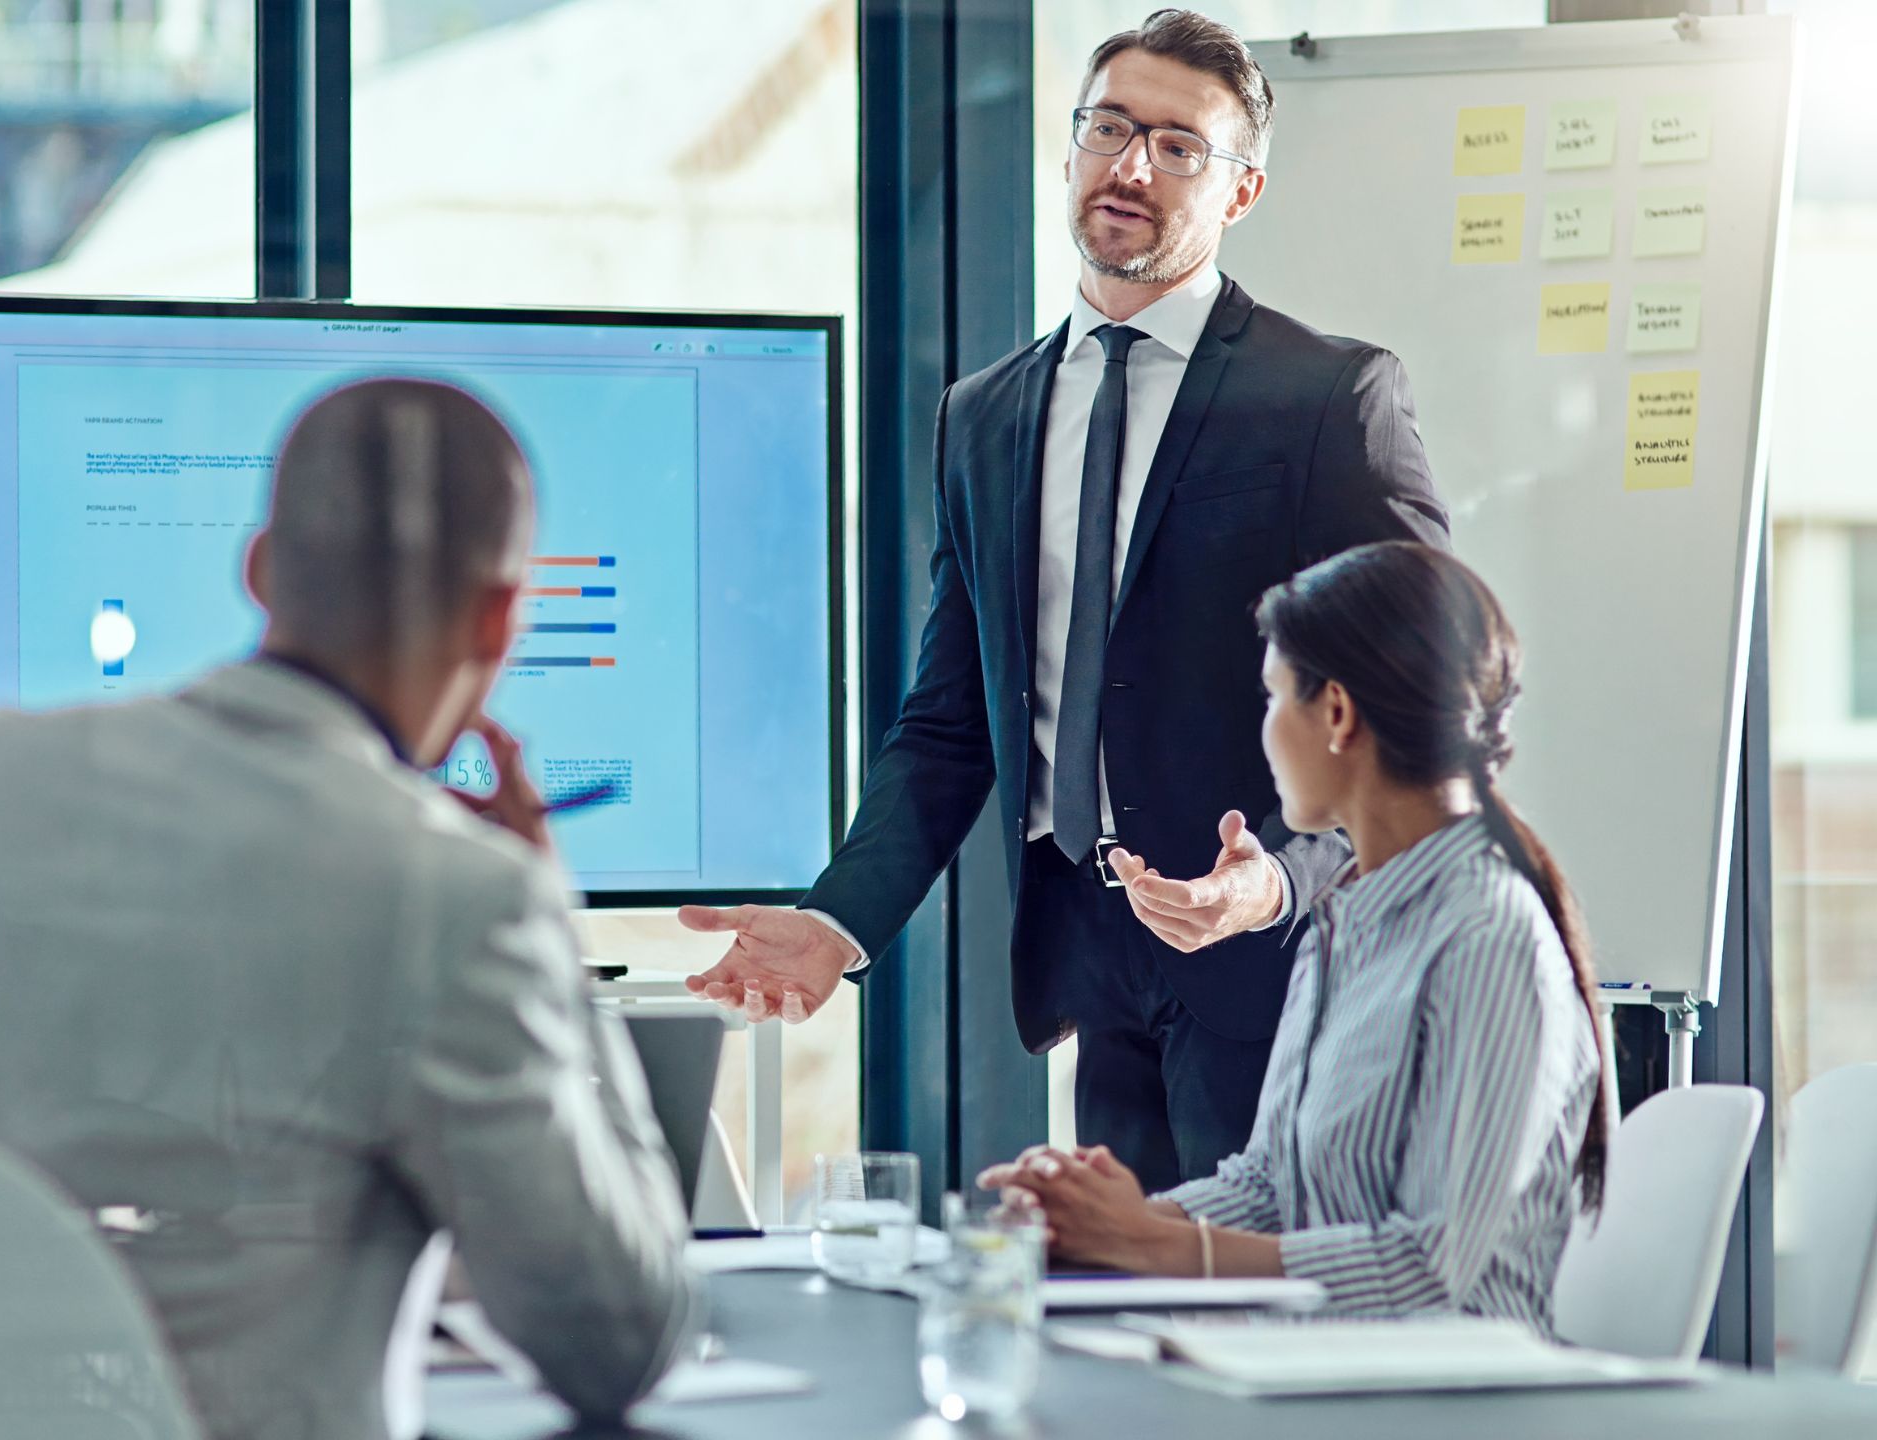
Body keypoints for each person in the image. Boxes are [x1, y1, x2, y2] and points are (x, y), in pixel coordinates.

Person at [0, 378, 694, 1440]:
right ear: (503, 615)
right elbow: (615, 1339)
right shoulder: (457, 895)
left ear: (260, 569)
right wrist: (545, 911)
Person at [679, 9, 1450, 1192]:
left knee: (1255, 1318)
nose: (1132, 166)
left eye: (1179, 147)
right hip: (1091, 964)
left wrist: (1280, 879)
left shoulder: (1328, 396)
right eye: (1109, 128)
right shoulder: (984, 414)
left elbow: (1422, 702)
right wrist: (838, 925)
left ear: (1239, 192)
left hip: (1280, 965)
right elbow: (951, 723)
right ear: (1073, 146)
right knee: (1110, 1323)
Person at [979, 541, 1611, 1332]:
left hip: (1447, 1401)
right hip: (1310, 1378)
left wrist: (1152, 1246)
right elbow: (1270, 1186)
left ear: (1337, 713)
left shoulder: (1491, 939)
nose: (1265, 731)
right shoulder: (1342, 928)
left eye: (1275, 698)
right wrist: (1099, 1223)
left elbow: (1432, 1270)